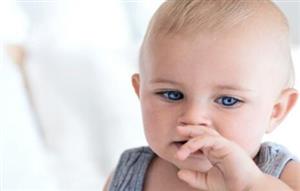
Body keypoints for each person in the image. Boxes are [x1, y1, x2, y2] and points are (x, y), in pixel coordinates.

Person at [104, 0, 300, 190]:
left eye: (227, 100)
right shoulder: (127, 175)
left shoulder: (286, 177)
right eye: (172, 95)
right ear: (141, 93)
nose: (193, 117)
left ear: (275, 111)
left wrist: (250, 186)